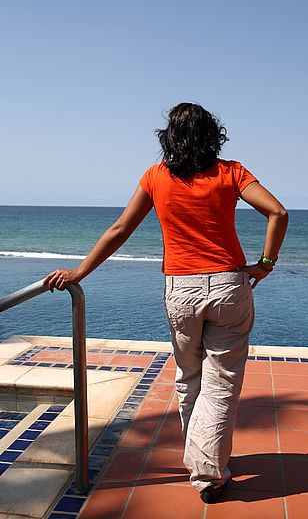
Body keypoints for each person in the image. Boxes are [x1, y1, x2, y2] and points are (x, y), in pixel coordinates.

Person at [43, 102, 289, 503]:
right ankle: (208, 472)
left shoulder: (156, 176)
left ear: (169, 138)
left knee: (190, 376)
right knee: (221, 382)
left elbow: (121, 228)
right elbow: (277, 212)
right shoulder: (231, 172)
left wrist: (79, 272)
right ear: (213, 135)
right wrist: (265, 264)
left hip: (180, 290)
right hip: (229, 286)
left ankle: (202, 461)